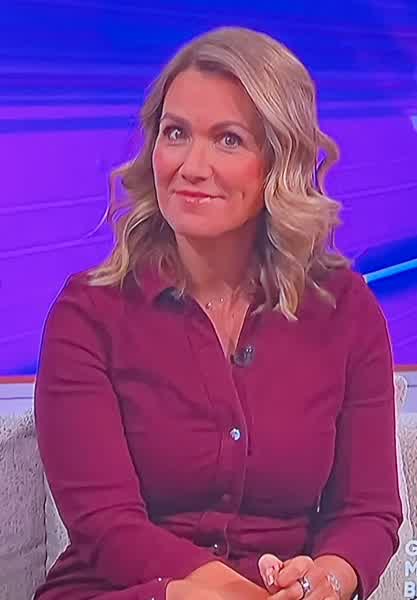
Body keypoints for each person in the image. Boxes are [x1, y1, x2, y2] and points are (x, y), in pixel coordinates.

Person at [34, 26, 402, 600]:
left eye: (228, 139)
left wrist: (325, 580)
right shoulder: (89, 314)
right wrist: (232, 594)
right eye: (176, 133)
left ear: (278, 162)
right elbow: (106, 526)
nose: (191, 165)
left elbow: (367, 512)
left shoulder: (345, 311)